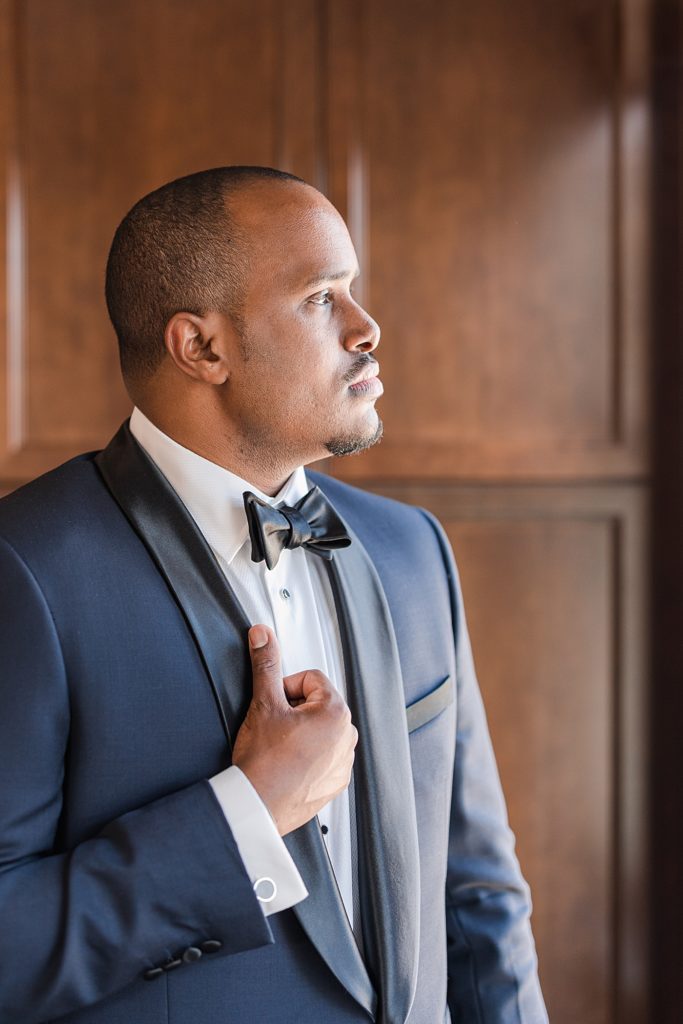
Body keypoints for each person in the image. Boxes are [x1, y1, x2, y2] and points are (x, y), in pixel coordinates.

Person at [0, 166, 548, 1024]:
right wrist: (243, 818)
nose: (366, 328)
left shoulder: (412, 552)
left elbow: (477, 893)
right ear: (202, 348)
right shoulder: (23, 572)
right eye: (320, 298)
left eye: (352, 291)